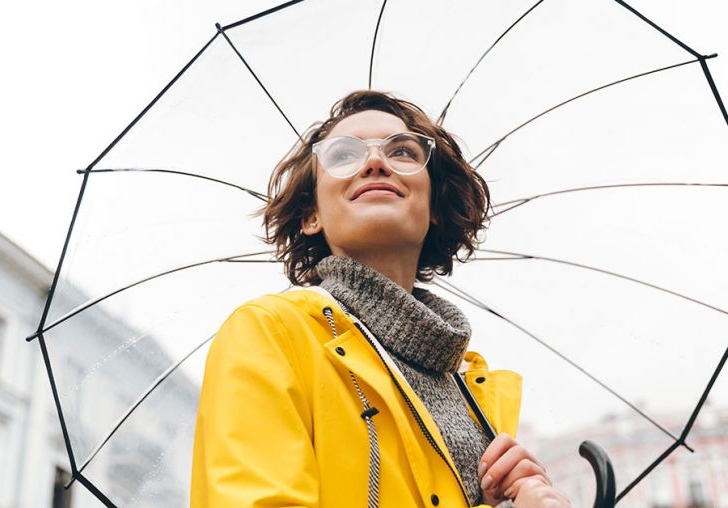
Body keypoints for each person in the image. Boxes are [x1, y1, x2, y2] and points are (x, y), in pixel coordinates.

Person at [191, 90, 570, 507]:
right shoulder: (271, 333)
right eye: (342, 156)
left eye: (403, 152)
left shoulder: (473, 391)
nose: (375, 162)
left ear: (435, 207)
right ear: (311, 215)